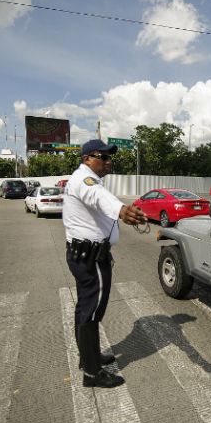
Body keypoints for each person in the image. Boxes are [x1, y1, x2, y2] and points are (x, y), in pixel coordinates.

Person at [63, 139, 148, 388]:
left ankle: (87, 357)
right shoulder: (85, 180)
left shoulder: (86, 179)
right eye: (104, 156)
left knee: (84, 308)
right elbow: (99, 197)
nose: (109, 161)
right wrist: (122, 210)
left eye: (110, 157)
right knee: (91, 312)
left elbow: (98, 197)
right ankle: (92, 373)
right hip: (91, 258)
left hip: (83, 255)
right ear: (88, 158)